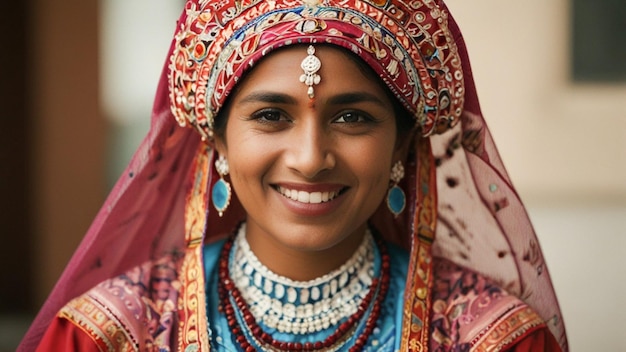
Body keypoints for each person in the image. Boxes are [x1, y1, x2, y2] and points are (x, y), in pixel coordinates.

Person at [20, 0, 568, 351]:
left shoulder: (493, 339)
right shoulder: (111, 335)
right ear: (217, 142)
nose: (310, 158)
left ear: (402, 141)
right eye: (270, 116)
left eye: (352, 117)